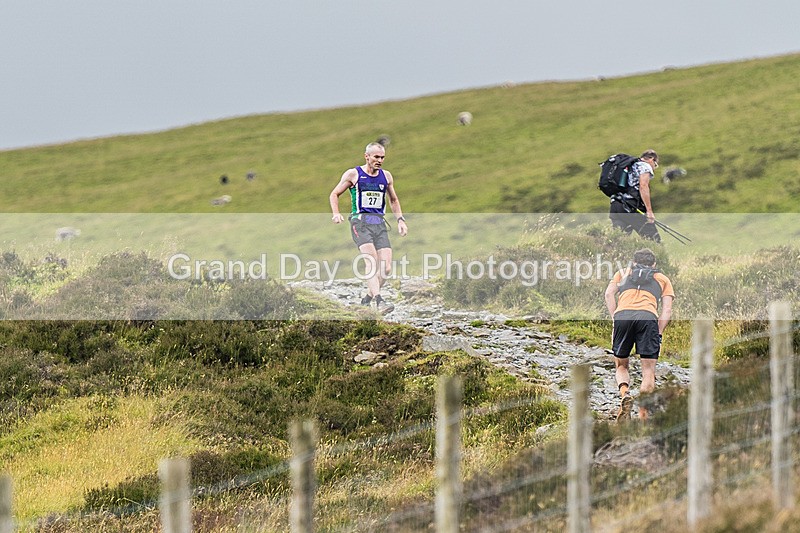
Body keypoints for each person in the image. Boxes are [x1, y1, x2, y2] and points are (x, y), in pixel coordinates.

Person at [329, 142, 408, 314]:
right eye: (376, 157)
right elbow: (334, 194)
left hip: (379, 223)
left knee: (386, 268)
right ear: (367, 156)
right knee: (371, 261)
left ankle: (367, 298)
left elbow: (393, 200)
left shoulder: (386, 176)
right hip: (360, 223)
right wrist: (336, 213)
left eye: (382, 157)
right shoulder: (353, 174)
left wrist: (400, 220)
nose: (379, 160)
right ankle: (379, 301)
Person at [604, 248, 674, 421]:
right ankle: (643, 415)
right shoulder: (662, 279)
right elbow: (667, 310)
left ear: (634, 262)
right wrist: (658, 331)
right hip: (648, 317)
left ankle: (624, 393)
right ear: (654, 264)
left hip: (623, 316)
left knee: (621, 365)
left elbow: (608, 294)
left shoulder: (622, 273)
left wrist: (615, 316)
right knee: (648, 371)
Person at [609, 150, 661, 242]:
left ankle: (610, 255)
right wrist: (649, 211)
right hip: (631, 207)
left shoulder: (627, 166)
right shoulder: (644, 166)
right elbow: (643, 186)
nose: (653, 168)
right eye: (655, 165)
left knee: (618, 241)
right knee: (653, 239)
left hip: (616, 206)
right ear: (652, 159)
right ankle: (657, 255)